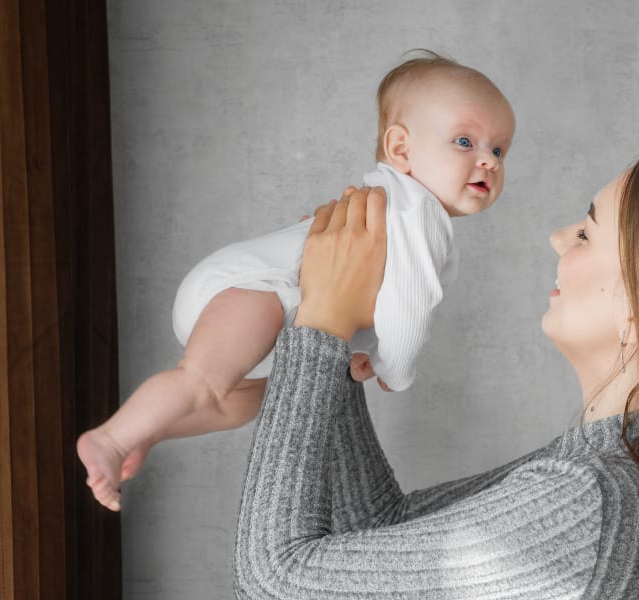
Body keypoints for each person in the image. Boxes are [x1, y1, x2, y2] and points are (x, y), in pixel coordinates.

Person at [233, 147, 639, 599]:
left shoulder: (593, 506)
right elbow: (383, 535)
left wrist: (319, 325)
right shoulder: (622, 471)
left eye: (587, 231)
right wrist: (341, 334)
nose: (559, 238)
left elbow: (271, 582)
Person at [77, 51, 516, 511]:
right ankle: (109, 438)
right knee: (204, 382)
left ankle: (146, 428)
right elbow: (407, 304)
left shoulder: (402, 206)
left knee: (240, 403)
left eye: (499, 150)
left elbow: (368, 298)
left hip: (263, 312)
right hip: (255, 290)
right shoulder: (416, 210)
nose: (488, 161)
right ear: (401, 149)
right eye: (465, 141)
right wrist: (395, 368)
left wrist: (364, 352)